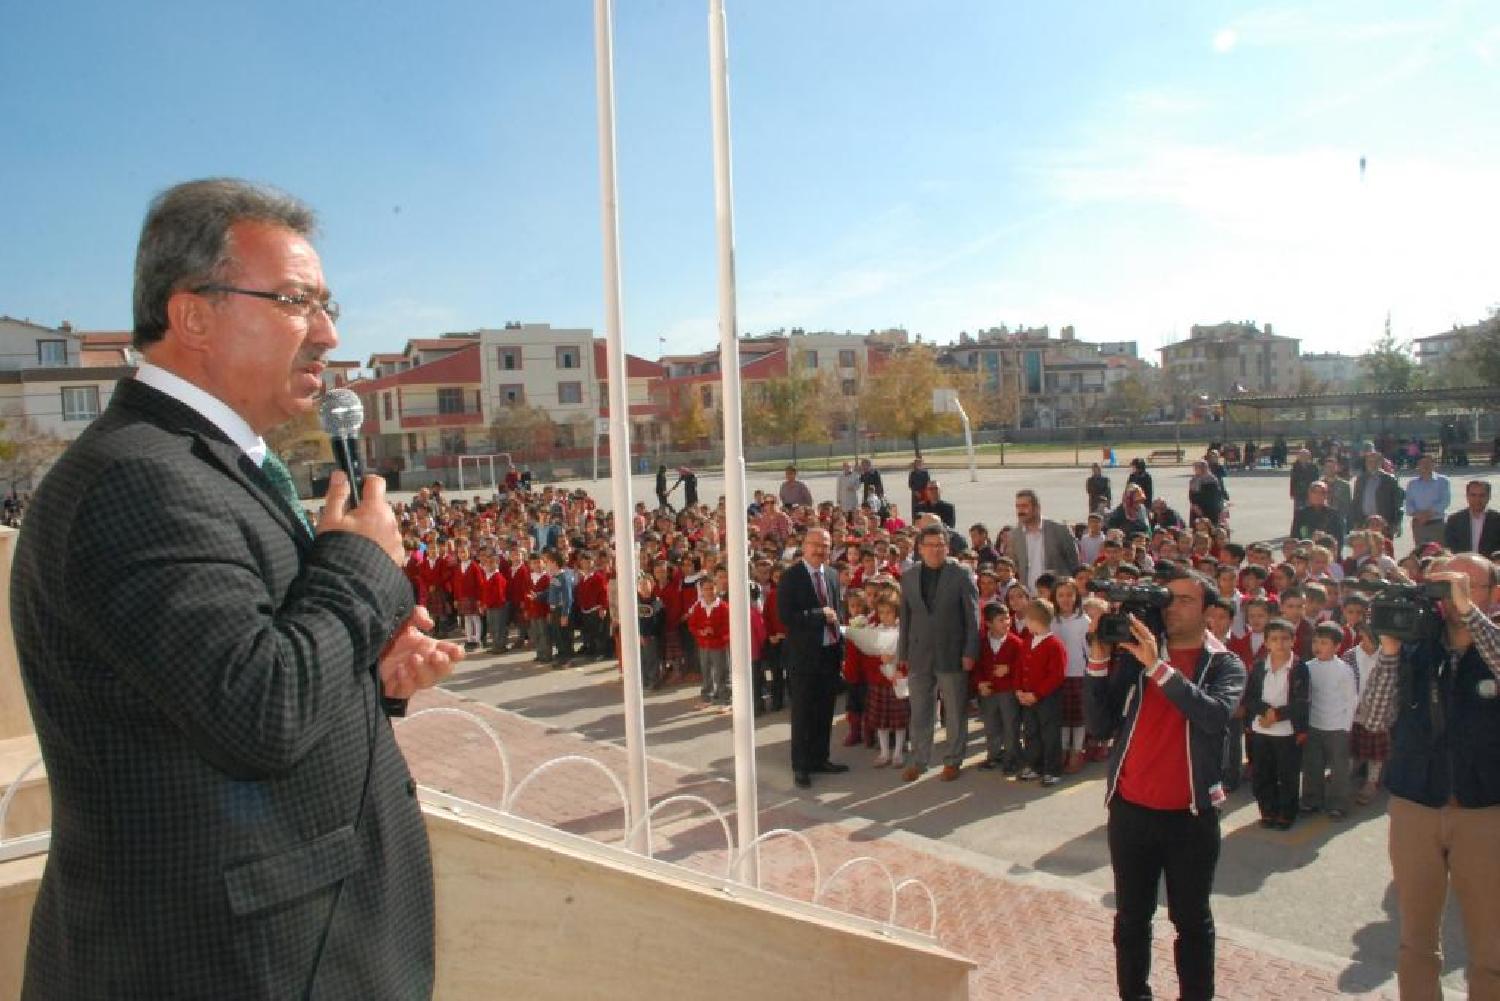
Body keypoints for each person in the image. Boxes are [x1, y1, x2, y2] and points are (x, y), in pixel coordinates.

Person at [10, 179, 462, 999]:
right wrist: (361, 568)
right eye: (295, 301)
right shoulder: (138, 479)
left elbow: (213, 684)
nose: (328, 333)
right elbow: (257, 711)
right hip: (220, 962)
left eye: (327, 305)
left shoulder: (209, 465)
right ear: (193, 316)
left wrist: (368, 675)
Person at [1083, 568, 1246, 1001]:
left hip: (1190, 817)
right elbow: (1099, 725)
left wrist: (1158, 666)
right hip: (1130, 810)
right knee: (1131, 920)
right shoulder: (1137, 656)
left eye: (1185, 600)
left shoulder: (1224, 664)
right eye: (1166, 599)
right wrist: (1099, 659)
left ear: (1209, 611)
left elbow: (1213, 716)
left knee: (1191, 922)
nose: (1171, 608)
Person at [1363, 558, 1500, 999]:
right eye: (1444, 584)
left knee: (1491, 947)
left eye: (1467, 584)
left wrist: (1470, 614)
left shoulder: (1492, 642)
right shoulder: (1419, 646)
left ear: (1494, 594)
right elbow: (1374, 717)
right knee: (1416, 941)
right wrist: (1389, 651)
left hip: (1484, 811)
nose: (1453, 594)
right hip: (1416, 806)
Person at [897, 524, 980, 783]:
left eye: (940, 545)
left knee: (954, 710)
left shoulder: (961, 574)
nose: (936, 550)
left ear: (947, 547)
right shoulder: (909, 576)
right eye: (930, 545)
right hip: (919, 653)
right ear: (920, 549)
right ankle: (919, 760)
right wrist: (903, 653)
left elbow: (973, 617)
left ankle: (953, 759)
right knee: (920, 709)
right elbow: (906, 617)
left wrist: (970, 651)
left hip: (952, 652)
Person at [777, 527, 848, 789]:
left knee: (824, 711)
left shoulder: (832, 574)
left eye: (825, 546)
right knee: (803, 713)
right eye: (815, 544)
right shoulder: (791, 577)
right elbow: (786, 616)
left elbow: (837, 612)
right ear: (804, 546)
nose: (820, 550)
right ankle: (801, 766)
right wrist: (819, 615)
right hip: (804, 657)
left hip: (829, 654)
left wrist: (841, 647)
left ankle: (820, 758)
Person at [1245, 618, 1311, 830]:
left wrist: (1277, 715)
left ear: (1293, 640)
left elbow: (1301, 702)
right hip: (1261, 729)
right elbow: (1250, 697)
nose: (1279, 643)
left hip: (1287, 732)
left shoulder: (1299, 668)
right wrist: (1265, 712)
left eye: (1284, 638)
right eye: (1274, 639)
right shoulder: (1258, 667)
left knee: (1287, 775)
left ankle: (1287, 813)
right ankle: (1268, 810)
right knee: (1262, 774)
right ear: (1266, 642)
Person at [1299, 622, 1360, 820]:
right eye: (1315, 642)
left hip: (1337, 727)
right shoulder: (1308, 667)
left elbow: (1351, 699)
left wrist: (1346, 726)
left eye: (1324, 642)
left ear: (1337, 646)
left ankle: (1338, 804)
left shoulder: (1344, 670)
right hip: (1314, 724)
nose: (1318, 646)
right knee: (1312, 765)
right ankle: (1311, 800)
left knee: (1339, 767)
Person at [1016, 598, 1066, 786]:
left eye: (1027, 620)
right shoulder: (1028, 641)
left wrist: (1036, 694)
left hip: (1047, 699)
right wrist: (1019, 689)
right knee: (1031, 732)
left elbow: (1056, 676)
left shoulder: (1054, 645)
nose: (1026, 624)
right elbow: (1020, 666)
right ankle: (1034, 765)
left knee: (1050, 734)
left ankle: (1052, 770)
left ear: (1035, 621)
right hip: (1027, 696)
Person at [974, 604, 1022, 774]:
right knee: (991, 725)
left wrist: (1009, 669)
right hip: (989, 691)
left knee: (1010, 725)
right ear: (988, 623)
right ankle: (993, 755)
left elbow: (1023, 665)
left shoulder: (1016, 643)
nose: (1006, 622)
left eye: (1008, 618)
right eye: (1001, 620)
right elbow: (977, 666)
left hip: (1008, 691)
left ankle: (1012, 758)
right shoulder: (982, 643)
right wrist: (980, 683)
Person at [1008, 488, 1081, 592]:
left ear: (1037, 508)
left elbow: (1074, 564)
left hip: (1057, 594)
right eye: (1018, 507)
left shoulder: (1059, 530)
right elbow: (1016, 567)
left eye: (1024, 506)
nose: (1020, 511)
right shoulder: (1015, 535)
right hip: (1029, 595)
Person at [1404, 454, 1451, 551]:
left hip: (1436, 524)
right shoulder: (1412, 483)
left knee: (1439, 552)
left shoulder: (1443, 481)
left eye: (1428, 463)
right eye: (1422, 463)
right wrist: (1418, 515)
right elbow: (1408, 503)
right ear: (1418, 465)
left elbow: (1445, 501)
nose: (1425, 466)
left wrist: (1427, 514)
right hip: (1418, 524)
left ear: (1434, 464)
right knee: (1421, 552)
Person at [1288, 480, 1347, 555]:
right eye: (1314, 492)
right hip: (1306, 555)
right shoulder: (1301, 514)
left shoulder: (1334, 514)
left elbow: (1340, 540)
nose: (1318, 495)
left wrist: (1325, 537)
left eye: (1322, 492)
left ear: (1327, 495)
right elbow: (1294, 538)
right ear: (1309, 494)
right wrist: (1310, 540)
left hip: (1328, 555)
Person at [1444, 479, 1500, 555]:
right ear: (1467, 496)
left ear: (1489, 497)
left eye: (1482, 495)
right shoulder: (1454, 520)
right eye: (1473, 495)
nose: (1477, 499)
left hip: (1490, 562)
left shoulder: (1497, 520)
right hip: (1462, 561)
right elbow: (1449, 547)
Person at [1352, 450, 1401, 534]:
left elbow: (1397, 503)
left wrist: (1396, 523)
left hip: (1383, 523)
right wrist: (1355, 521)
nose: (1372, 464)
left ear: (1380, 463)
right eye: (1369, 461)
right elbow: (1356, 502)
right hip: (1364, 522)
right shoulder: (1360, 480)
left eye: (1375, 461)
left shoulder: (1389, 480)